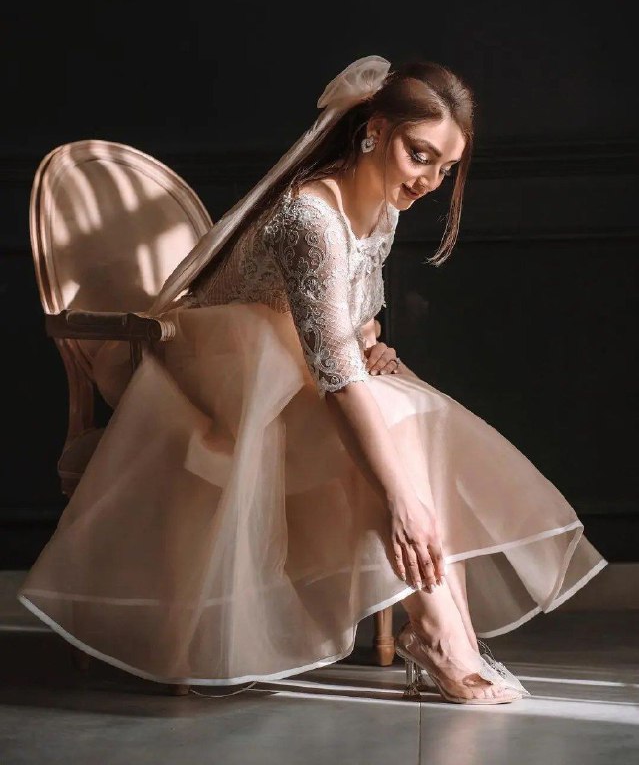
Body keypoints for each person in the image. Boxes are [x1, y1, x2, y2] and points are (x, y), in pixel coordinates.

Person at [18, 56, 607, 705]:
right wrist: (399, 501)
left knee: (416, 413)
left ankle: (445, 633)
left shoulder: (381, 207)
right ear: (373, 132)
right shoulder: (309, 217)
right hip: (205, 380)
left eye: (445, 168)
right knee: (391, 422)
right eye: (419, 156)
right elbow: (334, 375)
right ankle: (440, 638)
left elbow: (344, 329)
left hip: (287, 367)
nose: (428, 182)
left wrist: (371, 345)